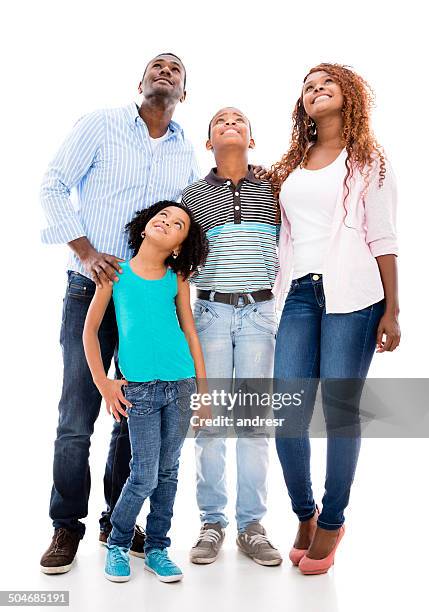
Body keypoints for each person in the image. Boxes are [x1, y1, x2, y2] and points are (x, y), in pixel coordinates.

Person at [39, 53, 200, 574]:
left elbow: (184, 223)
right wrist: (87, 253)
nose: (166, 71)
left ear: (184, 91)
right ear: (141, 81)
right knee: (77, 414)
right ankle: (66, 525)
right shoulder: (102, 124)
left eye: (176, 69)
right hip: (90, 291)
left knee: (134, 414)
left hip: (146, 303)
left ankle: (117, 522)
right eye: (158, 65)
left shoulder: (184, 154)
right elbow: (52, 184)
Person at [270, 63, 400, 575]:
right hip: (299, 296)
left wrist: (393, 308)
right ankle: (306, 513)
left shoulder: (369, 162)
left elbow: (384, 237)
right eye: (307, 86)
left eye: (326, 83)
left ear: (348, 96)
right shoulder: (290, 167)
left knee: (341, 411)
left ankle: (333, 520)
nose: (315, 90)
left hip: (355, 296)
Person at [83, 201, 209, 582]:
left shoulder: (177, 277)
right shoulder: (115, 275)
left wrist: (202, 393)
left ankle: (157, 548)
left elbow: (189, 331)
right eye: (162, 216)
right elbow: (90, 332)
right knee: (143, 474)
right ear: (143, 227)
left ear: (179, 245)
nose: (167, 222)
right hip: (139, 390)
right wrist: (103, 382)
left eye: (178, 224)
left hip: (182, 384)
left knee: (168, 472)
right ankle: (118, 542)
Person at [181, 107, 283, 566]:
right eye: (219, 121)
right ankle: (211, 522)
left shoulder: (273, 188)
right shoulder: (193, 195)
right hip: (212, 314)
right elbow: (183, 264)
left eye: (240, 120)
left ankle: (251, 525)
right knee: (210, 423)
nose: (229, 125)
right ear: (209, 142)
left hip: (260, 314)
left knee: (255, 424)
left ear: (251, 138)